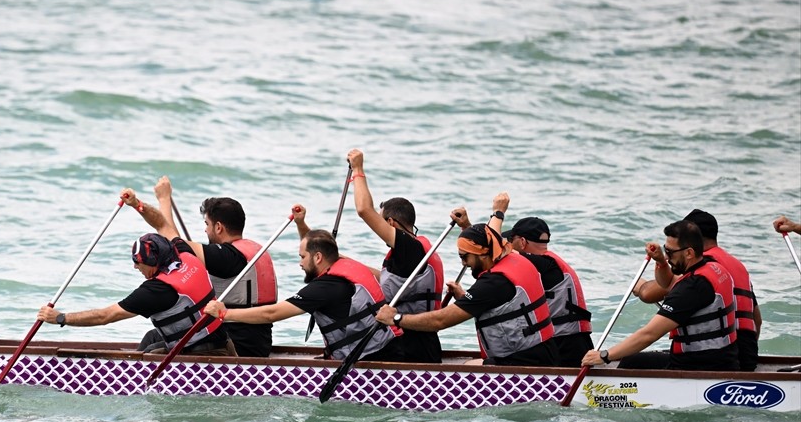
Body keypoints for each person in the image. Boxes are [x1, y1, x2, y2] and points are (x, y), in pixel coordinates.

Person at [377, 207, 558, 367]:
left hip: (523, 364)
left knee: (466, 366)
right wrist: (466, 226)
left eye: (465, 257)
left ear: (482, 254)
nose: (464, 262)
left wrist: (396, 318)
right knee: (469, 362)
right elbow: (488, 236)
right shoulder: (512, 258)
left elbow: (440, 321)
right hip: (544, 353)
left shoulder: (493, 284)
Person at [121, 179, 277, 357]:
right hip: (255, 341)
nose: (205, 231)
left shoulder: (227, 257)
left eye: (206, 225)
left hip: (237, 345)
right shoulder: (251, 249)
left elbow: (169, 239)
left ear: (218, 227)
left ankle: (138, 381)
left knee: (152, 349)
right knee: (153, 336)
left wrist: (162, 199)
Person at [204, 220, 399, 362]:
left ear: (318, 258)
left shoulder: (326, 288)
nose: (300, 263)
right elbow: (317, 244)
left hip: (370, 361)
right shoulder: (346, 265)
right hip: (385, 349)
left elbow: (271, 313)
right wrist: (300, 224)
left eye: (303, 256)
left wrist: (225, 313)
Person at [35, 226, 237, 357]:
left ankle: (130, 382)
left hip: (205, 356)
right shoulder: (185, 252)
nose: (135, 268)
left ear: (152, 262)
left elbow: (107, 315)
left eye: (137, 263)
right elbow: (165, 225)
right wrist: (137, 204)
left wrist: (61, 318)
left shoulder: (158, 290)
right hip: (223, 342)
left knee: (146, 355)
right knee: (151, 338)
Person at [584, 219, 737, 371]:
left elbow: (649, 334)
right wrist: (661, 261)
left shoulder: (691, 288)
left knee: (631, 362)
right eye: (665, 250)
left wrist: (604, 355)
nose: (668, 257)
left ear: (689, 253)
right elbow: (667, 282)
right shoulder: (714, 266)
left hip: (697, 366)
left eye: (670, 252)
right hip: (724, 358)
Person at [336, 148, 444, 363]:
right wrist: (337, 259)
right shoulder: (414, 252)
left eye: (382, 220)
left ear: (391, 223)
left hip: (409, 346)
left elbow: (364, 210)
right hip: (421, 342)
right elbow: (386, 279)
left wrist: (358, 169)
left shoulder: (410, 248)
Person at [633, 209, 760, 370]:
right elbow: (757, 320)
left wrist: (639, 286)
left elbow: (650, 293)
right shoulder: (737, 266)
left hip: (718, 359)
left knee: (632, 361)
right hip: (747, 354)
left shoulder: (702, 270)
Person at [494, 204, 594, 368]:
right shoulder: (549, 262)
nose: (508, 246)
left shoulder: (540, 263)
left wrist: (497, 213)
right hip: (578, 341)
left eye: (511, 241)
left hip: (564, 343)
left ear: (522, 241)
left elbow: (494, 250)